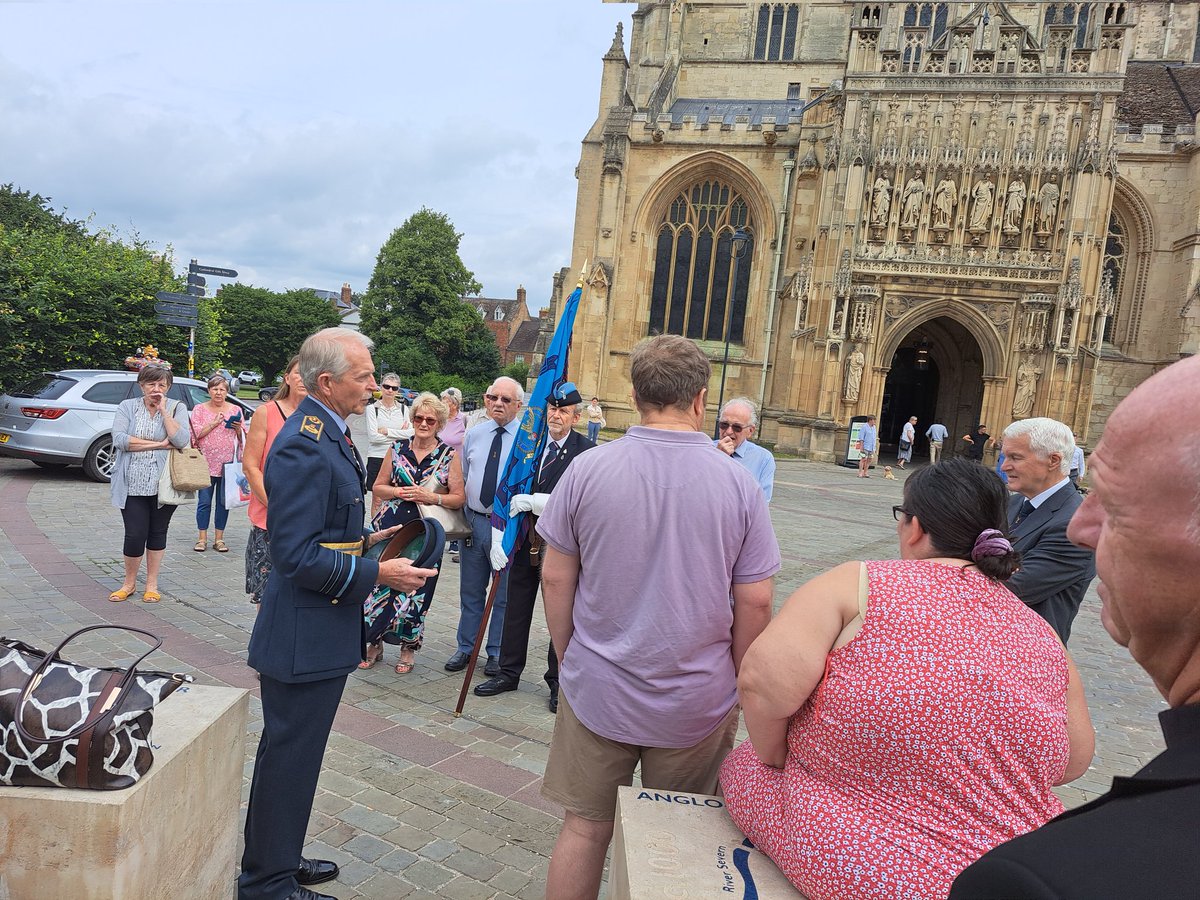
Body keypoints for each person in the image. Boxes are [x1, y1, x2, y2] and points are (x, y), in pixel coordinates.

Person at [721, 458, 1094, 900]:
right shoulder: (1039, 629)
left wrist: (775, 756)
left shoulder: (857, 583)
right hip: (1019, 869)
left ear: (915, 527)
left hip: (872, 862)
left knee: (743, 765)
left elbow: (763, 685)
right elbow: (1075, 759)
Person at [536, 335, 780, 900]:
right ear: (700, 399)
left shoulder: (589, 469)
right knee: (683, 834)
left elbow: (555, 576)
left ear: (636, 394)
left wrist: (571, 652)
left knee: (584, 826)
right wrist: (745, 679)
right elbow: (756, 601)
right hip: (698, 693)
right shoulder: (737, 482)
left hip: (599, 681)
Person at [950, 354, 1200, 899]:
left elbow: (1007, 584)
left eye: (1115, 502)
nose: (1087, 528)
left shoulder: (1042, 879)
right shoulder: (1019, 506)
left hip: (1025, 658)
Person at [239, 328, 436, 900]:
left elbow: (324, 530)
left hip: (318, 629)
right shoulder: (304, 442)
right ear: (326, 382)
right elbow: (294, 555)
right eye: (365, 377)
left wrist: (371, 537)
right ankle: (266, 884)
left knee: (295, 757)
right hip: (302, 633)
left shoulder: (330, 431)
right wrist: (382, 573)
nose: (375, 385)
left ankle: (278, 858)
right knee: (289, 758)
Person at [473, 382, 595, 708]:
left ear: (576, 416)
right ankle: (508, 672)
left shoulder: (587, 451)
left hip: (561, 549)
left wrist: (537, 501)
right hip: (525, 540)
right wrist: (500, 535)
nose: (556, 415)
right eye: (552, 409)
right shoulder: (530, 446)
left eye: (563, 411)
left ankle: (558, 681)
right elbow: (508, 487)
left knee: (561, 615)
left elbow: (581, 501)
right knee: (516, 608)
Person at [362, 392, 465, 674]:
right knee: (379, 584)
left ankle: (408, 648)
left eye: (430, 419)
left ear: (439, 423)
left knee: (418, 589)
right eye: (419, 417)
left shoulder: (448, 455)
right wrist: (398, 491)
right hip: (392, 526)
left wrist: (432, 498)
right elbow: (377, 486)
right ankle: (374, 643)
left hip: (426, 533)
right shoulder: (397, 449)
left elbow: (458, 498)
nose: (423, 423)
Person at [445, 376, 525, 675]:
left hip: (507, 528)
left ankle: (495, 651)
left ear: (519, 405)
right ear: (486, 399)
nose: (498, 404)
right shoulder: (474, 435)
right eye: (493, 398)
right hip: (475, 521)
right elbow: (462, 477)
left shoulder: (526, 442)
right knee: (471, 590)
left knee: (502, 594)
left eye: (506, 400)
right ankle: (466, 647)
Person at [999, 418, 1096, 643]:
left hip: (1029, 656)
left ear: (1053, 460)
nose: (1004, 466)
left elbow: (1010, 588)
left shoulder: (1075, 525)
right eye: (1005, 456)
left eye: (1015, 457)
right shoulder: (1013, 503)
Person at [108, 365, 191, 603]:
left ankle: (152, 584)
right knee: (134, 534)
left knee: (157, 533)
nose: (156, 389)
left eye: (161, 385)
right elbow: (120, 440)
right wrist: (159, 444)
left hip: (163, 485)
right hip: (131, 483)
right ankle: (129, 583)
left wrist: (164, 411)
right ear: (141, 385)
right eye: (151, 384)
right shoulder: (128, 407)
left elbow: (181, 440)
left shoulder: (177, 407)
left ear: (168, 387)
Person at [243, 355, 306, 606]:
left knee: (299, 594)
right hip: (270, 517)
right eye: (299, 372)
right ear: (287, 377)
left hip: (305, 519)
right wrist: (275, 504)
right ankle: (267, 644)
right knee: (267, 595)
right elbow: (251, 466)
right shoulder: (266, 412)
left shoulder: (316, 417)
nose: (303, 378)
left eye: (309, 373)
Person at [190, 374, 245, 553]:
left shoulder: (235, 409)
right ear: (209, 391)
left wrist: (238, 429)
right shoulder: (199, 409)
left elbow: (244, 437)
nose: (218, 392)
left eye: (222, 389)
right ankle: (202, 538)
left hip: (228, 464)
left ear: (227, 391)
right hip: (205, 463)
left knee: (223, 502)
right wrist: (214, 423)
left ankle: (219, 539)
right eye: (215, 389)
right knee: (204, 502)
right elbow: (195, 435)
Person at [714, 397, 776, 501]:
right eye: (724, 425)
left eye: (737, 427)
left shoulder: (763, 458)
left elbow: (761, 503)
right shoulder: (706, 450)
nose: (728, 431)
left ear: (750, 431)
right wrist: (718, 458)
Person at [364, 373, 412, 504]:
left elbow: (411, 434)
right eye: (387, 386)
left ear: (398, 390)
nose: (390, 390)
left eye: (394, 388)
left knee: (397, 498)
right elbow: (373, 437)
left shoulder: (404, 410)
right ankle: (376, 525)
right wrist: (399, 434)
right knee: (377, 500)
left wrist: (387, 431)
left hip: (398, 457)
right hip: (377, 456)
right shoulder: (372, 409)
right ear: (381, 387)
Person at [437, 387, 467, 454]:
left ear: (455, 405)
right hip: (438, 462)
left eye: (447, 401)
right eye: (443, 400)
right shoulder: (438, 418)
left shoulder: (464, 420)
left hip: (456, 462)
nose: (443, 403)